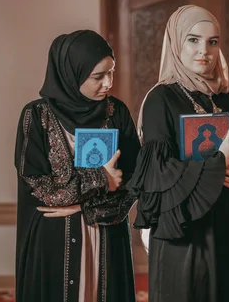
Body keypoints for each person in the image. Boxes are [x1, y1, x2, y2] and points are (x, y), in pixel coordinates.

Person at [127, 5, 229, 302]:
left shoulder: (222, 97)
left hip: (227, 227)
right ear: (176, 43)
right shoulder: (160, 99)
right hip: (186, 234)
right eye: (193, 40)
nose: (204, 51)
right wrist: (219, 163)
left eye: (212, 42)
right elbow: (159, 175)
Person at [14, 30, 140, 302]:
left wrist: (85, 205)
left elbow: (136, 179)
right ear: (71, 73)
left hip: (107, 233)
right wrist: (101, 180)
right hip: (53, 239)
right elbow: (40, 187)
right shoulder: (35, 116)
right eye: (98, 76)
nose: (108, 83)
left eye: (111, 72)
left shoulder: (116, 112)